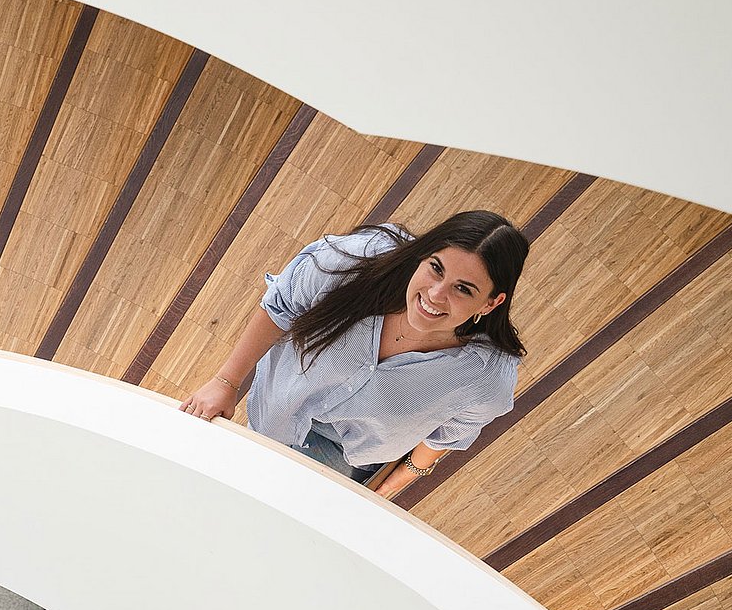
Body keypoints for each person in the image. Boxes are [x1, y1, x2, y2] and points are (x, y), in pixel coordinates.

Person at [179, 210, 527, 498]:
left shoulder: (486, 378)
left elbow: (448, 435)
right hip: (278, 411)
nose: (435, 295)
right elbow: (283, 305)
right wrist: (226, 381)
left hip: (349, 461)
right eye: (436, 268)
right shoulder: (355, 260)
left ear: (491, 302)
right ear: (423, 255)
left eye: (462, 289)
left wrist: (386, 489)